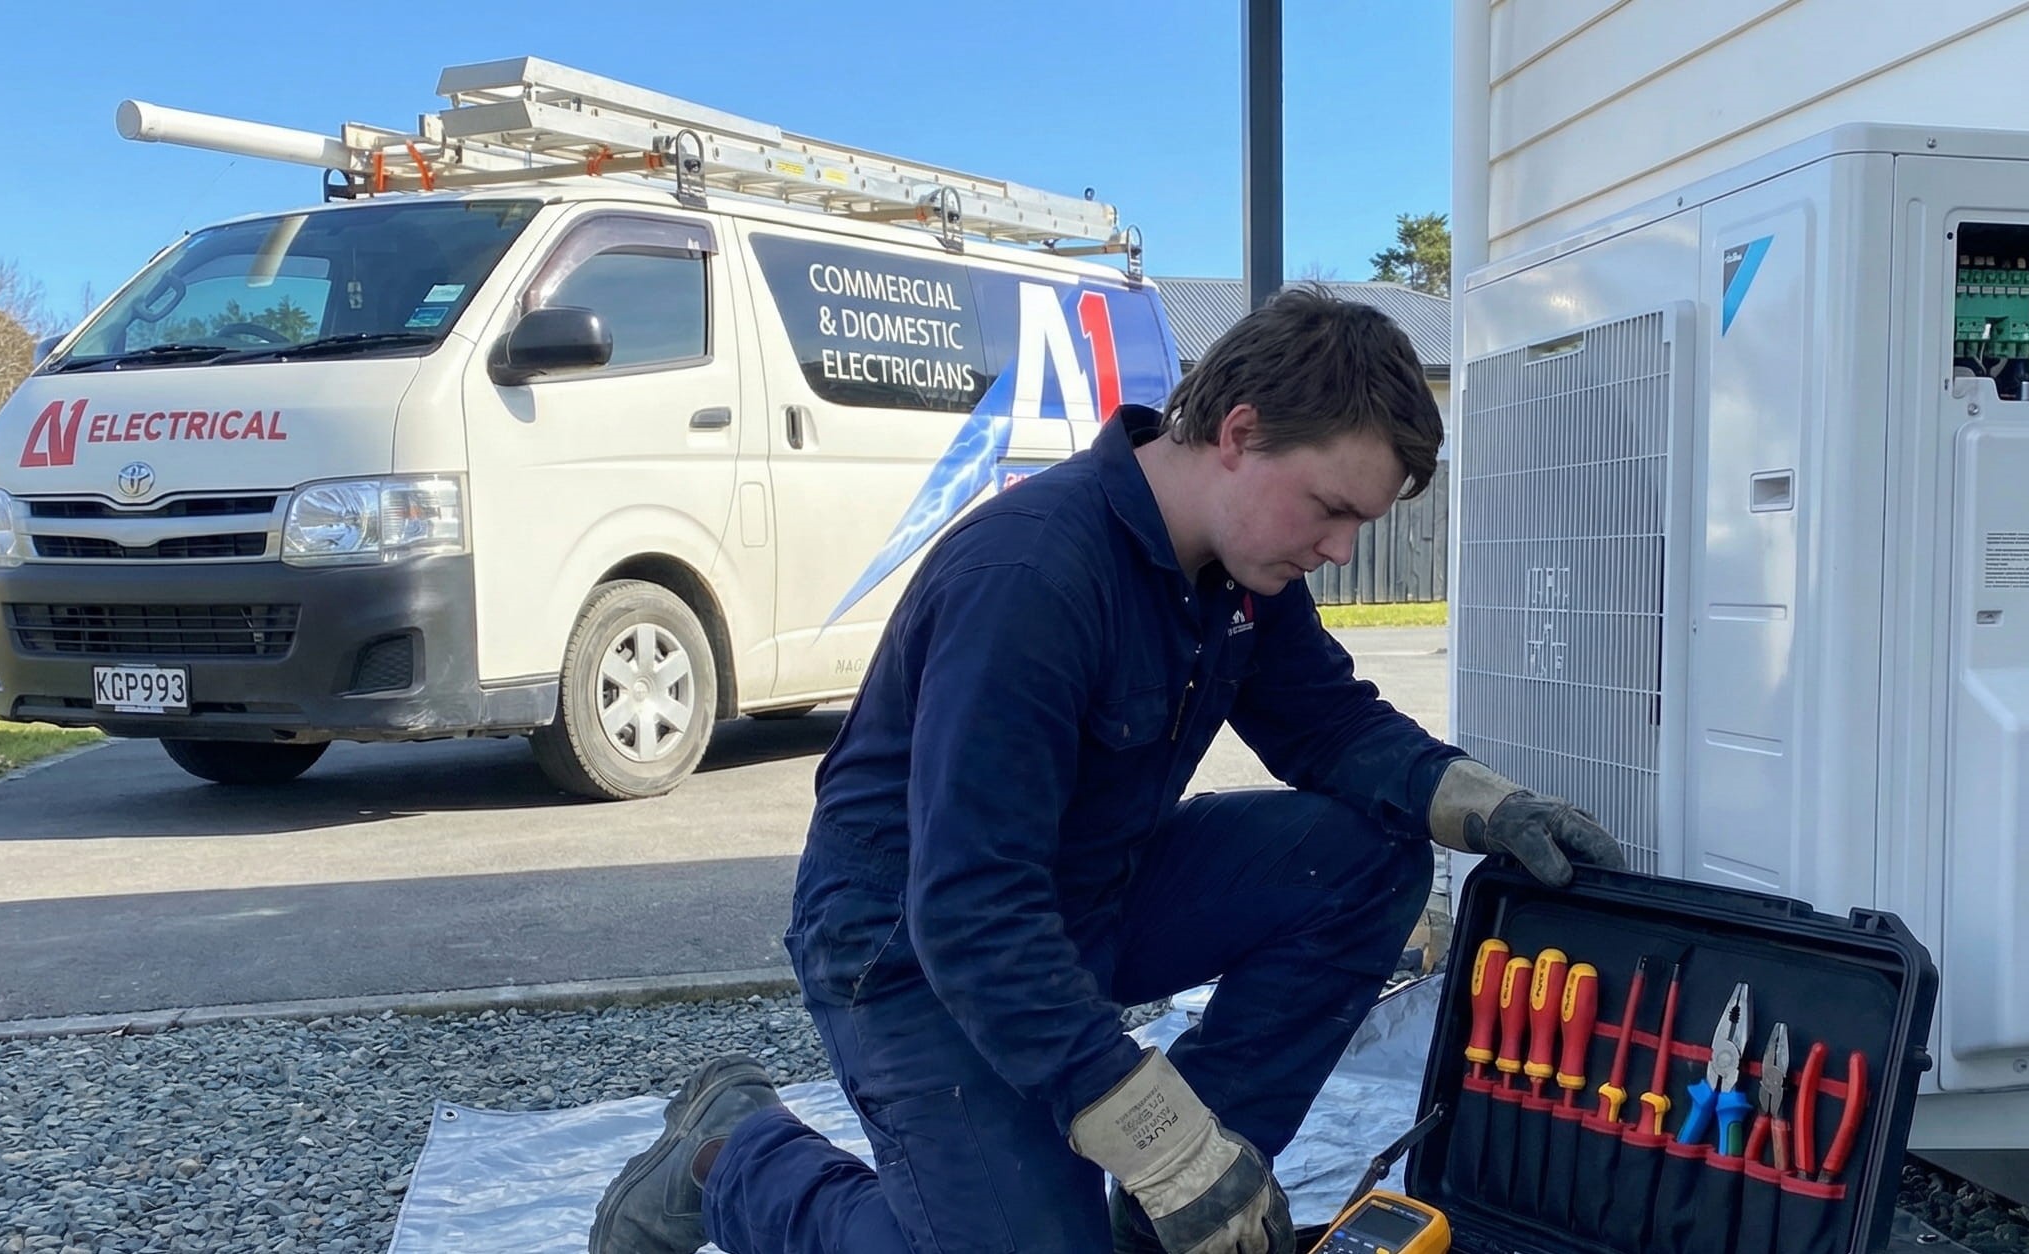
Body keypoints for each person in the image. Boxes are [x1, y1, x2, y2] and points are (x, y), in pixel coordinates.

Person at [590, 285, 1625, 1254]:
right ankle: (733, 1154)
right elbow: (970, 909)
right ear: (1239, 433)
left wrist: (1482, 803)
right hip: (910, 946)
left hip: (1085, 892)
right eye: (1331, 509)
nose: (1343, 549)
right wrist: (1157, 1137)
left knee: (1363, 854)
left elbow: (1325, 723)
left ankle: (1178, 1202)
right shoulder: (1032, 578)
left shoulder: (1233, 569)